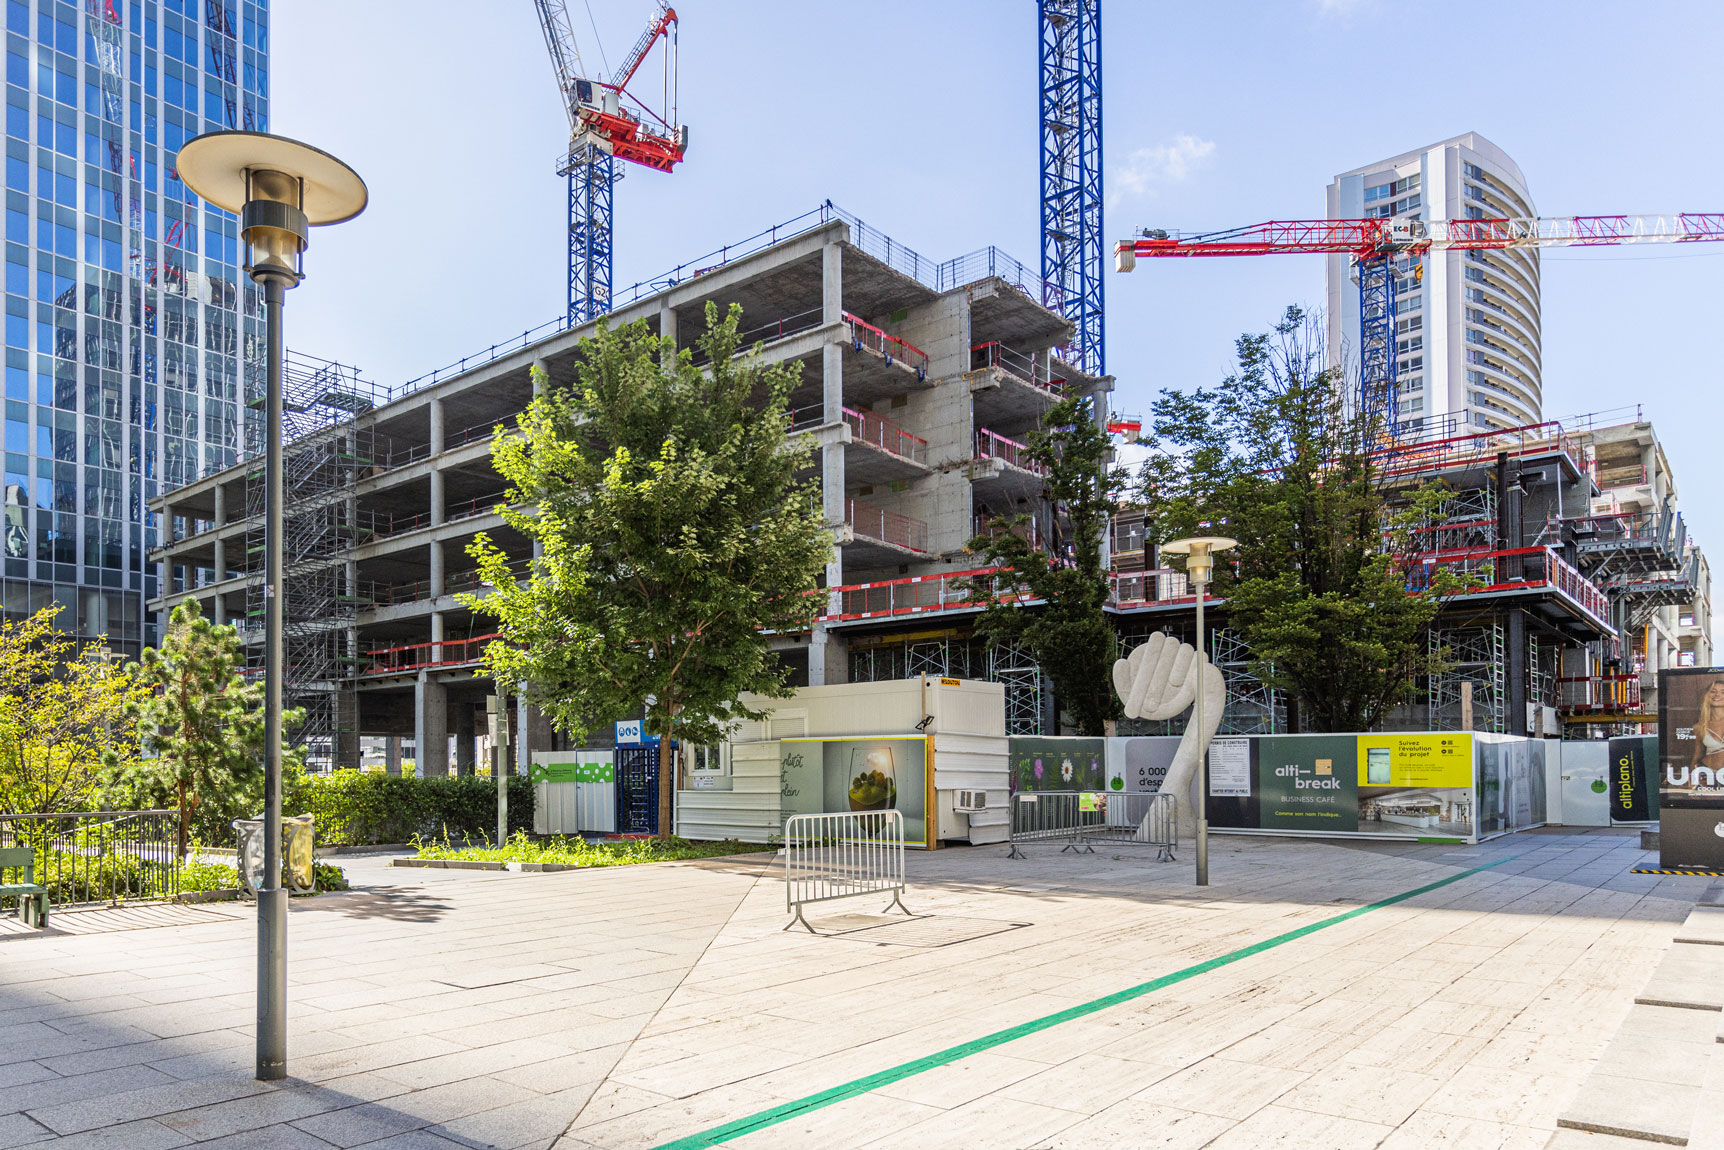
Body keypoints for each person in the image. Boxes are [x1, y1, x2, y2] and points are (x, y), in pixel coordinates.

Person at [1689, 678, 1724, 772]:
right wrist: (1690, 776)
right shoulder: (1700, 726)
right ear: (1707, 696)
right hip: (1707, 773)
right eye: (1713, 691)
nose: (1717, 695)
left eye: (1723, 692)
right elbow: (1698, 753)